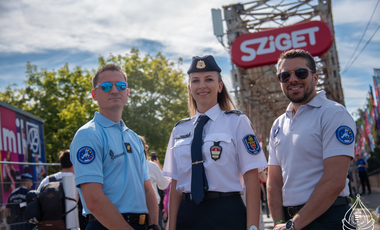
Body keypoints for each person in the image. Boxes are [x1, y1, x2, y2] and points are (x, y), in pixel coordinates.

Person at [162, 55, 268, 230]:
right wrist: (170, 227)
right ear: (190, 88)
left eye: (208, 79)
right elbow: (175, 184)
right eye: (195, 81)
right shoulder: (179, 130)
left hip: (226, 213)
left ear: (220, 86)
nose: (202, 85)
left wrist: (253, 226)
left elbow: (251, 178)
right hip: (187, 216)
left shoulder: (237, 121)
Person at [267, 49, 355, 230]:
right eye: (285, 76)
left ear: (315, 78)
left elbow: (335, 180)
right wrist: (279, 223)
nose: (292, 80)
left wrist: (293, 225)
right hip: (292, 222)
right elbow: (274, 181)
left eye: (300, 73)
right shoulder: (278, 124)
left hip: (330, 219)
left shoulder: (333, 113)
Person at [70, 64, 160, 230]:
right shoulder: (88, 135)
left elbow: (148, 189)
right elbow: (93, 199)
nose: (114, 90)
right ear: (94, 94)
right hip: (105, 225)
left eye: (120, 86)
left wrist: (154, 224)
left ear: (127, 92)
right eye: (105, 86)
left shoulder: (133, 137)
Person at [139, 136, 170, 230]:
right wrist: (159, 168)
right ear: (145, 148)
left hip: (133, 209)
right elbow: (164, 184)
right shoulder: (151, 166)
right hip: (152, 209)